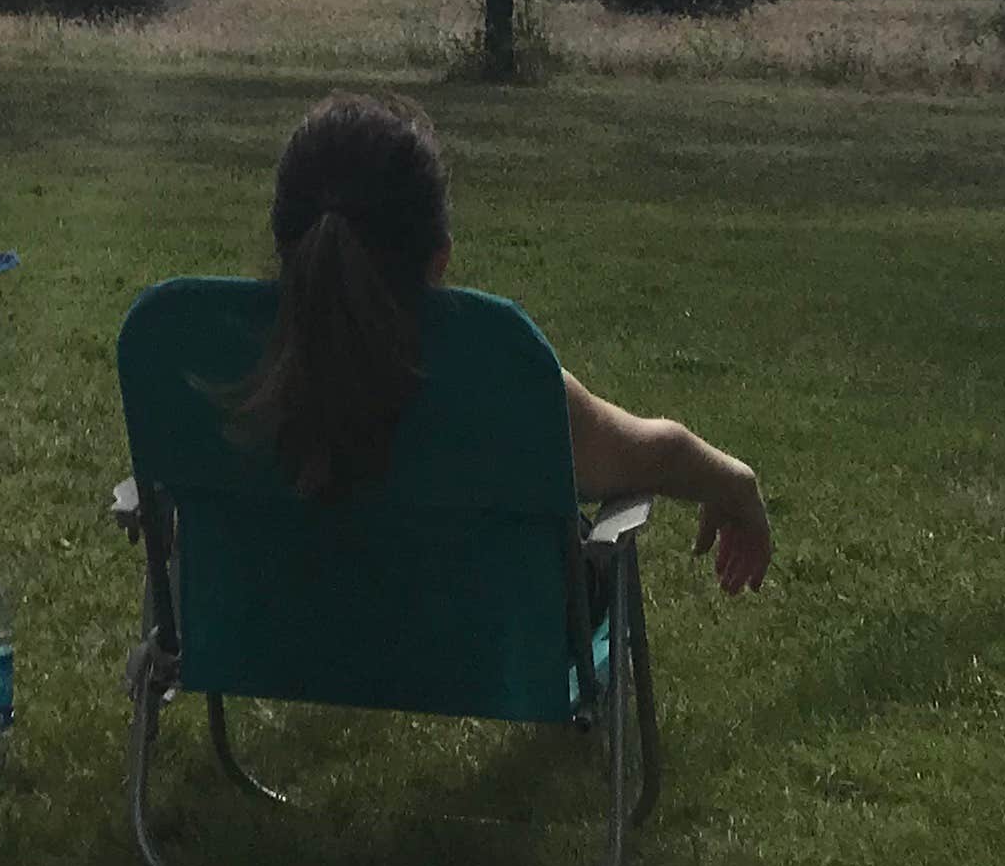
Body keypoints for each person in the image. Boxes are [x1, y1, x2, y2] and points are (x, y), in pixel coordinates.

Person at [232, 90, 772, 593]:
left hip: (264, 636)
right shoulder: (500, 371)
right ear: (440, 258)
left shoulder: (210, 355)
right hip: (472, 651)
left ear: (283, 243)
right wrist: (734, 483)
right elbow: (652, 454)